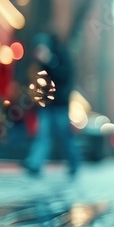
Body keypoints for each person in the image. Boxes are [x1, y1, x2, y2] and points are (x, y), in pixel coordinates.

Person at [22, 33, 80, 177]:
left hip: (60, 105)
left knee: (64, 137)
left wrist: (50, 62)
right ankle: (34, 164)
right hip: (47, 105)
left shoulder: (61, 55)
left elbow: (64, 76)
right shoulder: (43, 60)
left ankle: (74, 163)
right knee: (43, 135)